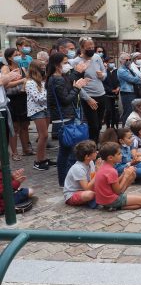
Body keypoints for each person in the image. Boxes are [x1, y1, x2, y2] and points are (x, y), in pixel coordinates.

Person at [46, 52, 90, 186]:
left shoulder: (60, 77)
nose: (67, 65)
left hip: (65, 117)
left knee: (65, 151)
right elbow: (65, 99)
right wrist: (77, 87)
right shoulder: (56, 79)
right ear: (56, 64)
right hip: (64, 118)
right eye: (64, 63)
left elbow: (69, 81)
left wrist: (78, 74)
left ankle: (64, 181)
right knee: (70, 152)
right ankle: (69, 182)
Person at [70, 37, 106, 143]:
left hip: (101, 93)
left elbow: (104, 73)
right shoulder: (76, 62)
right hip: (89, 96)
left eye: (92, 47)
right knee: (93, 124)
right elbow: (75, 83)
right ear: (82, 48)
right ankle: (91, 146)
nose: (91, 49)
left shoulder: (97, 58)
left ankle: (95, 144)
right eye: (88, 47)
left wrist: (102, 75)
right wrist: (87, 98)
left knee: (99, 124)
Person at [94, 141, 141, 211]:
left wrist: (123, 174)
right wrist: (126, 176)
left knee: (131, 177)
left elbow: (113, 184)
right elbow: (118, 191)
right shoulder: (111, 171)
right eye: (119, 154)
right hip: (111, 200)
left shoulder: (103, 167)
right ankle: (116, 207)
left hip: (103, 201)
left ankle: (114, 206)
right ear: (110, 158)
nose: (121, 155)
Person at [2, 48, 33, 161]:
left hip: (23, 98)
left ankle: (26, 149)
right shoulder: (6, 68)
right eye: (16, 55)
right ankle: (14, 152)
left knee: (25, 125)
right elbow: (5, 84)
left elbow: (28, 80)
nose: (19, 56)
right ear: (9, 57)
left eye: (19, 54)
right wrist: (21, 81)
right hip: (12, 99)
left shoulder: (23, 68)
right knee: (14, 127)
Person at [26, 60, 54, 170]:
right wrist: (49, 94)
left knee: (44, 136)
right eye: (41, 67)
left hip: (46, 109)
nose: (44, 69)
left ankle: (43, 158)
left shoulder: (43, 81)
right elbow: (38, 98)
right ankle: (38, 161)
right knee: (43, 135)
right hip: (37, 110)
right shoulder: (30, 83)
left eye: (44, 67)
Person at [63, 140, 97, 207]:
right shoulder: (78, 168)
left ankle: (97, 198)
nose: (97, 152)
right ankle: (98, 198)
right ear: (87, 157)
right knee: (89, 194)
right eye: (94, 152)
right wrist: (98, 173)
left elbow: (92, 180)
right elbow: (87, 188)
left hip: (85, 189)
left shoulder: (91, 162)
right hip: (72, 194)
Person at [117, 52, 141, 126]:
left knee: (133, 111)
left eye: (129, 59)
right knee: (128, 111)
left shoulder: (130, 69)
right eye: (126, 60)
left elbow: (138, 77)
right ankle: (124, 128)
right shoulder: (121, 70)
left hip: (133, 92)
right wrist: (138, 78)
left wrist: (138, 78)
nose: (128, 61)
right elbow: (134, 79)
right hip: (127, 93)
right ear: (121, 61)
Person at [103, 56, 120, 129]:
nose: (112, 64)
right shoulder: (104, 72)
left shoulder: (116, 71)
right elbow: (103, 84)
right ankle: (108, 126)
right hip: (107, 95)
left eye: (113, 62)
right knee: (108, 110)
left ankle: (113, 126)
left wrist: (118, 88)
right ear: (106, 63)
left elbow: (119, 81)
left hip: (116, 95)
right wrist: (111, 90)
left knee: (114, 111)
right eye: (110, 62)